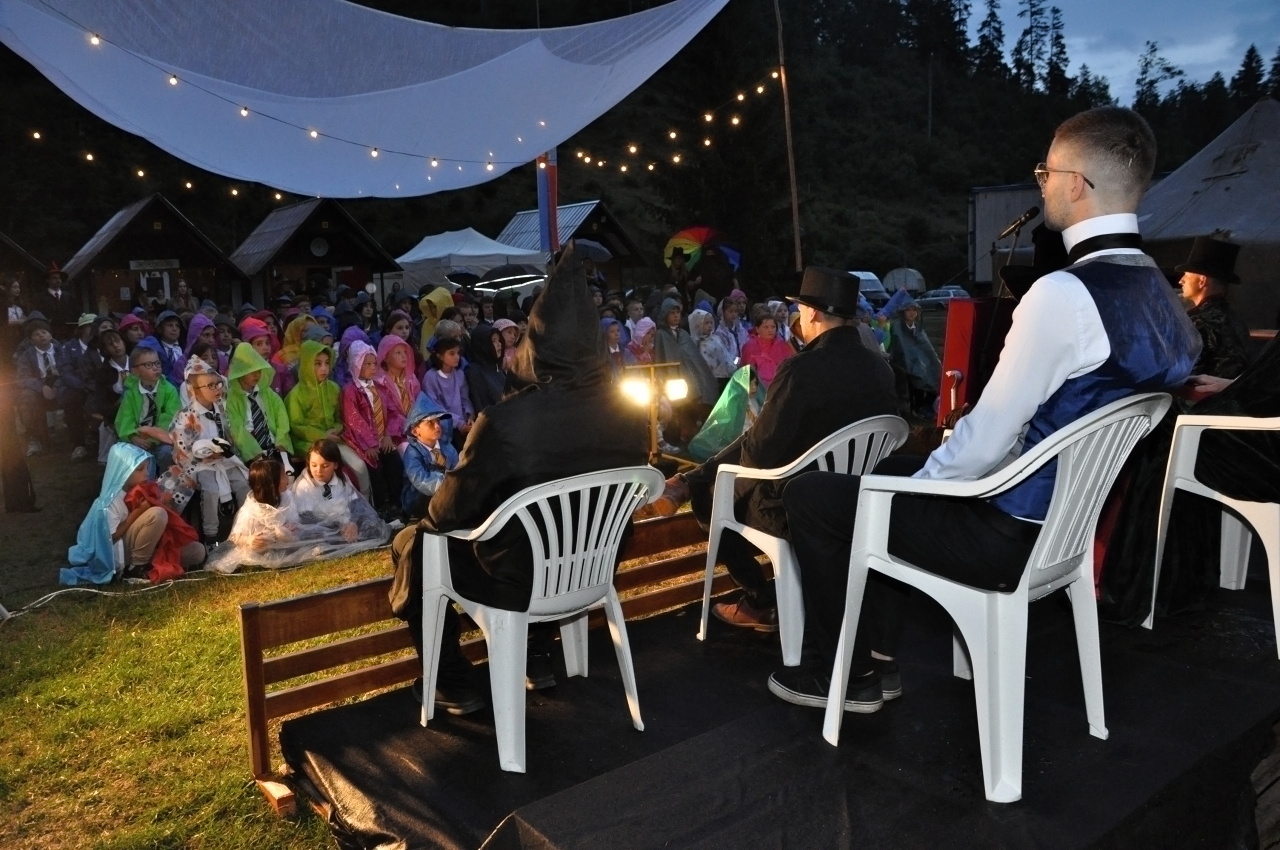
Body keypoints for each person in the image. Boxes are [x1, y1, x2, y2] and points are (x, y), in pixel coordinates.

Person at [775, 106, 1202, 714]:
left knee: (812, 496)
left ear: (1075, 184)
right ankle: (879, 658)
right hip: (1066, 526)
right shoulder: (1164, 295)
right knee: (887, 472)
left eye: (1045, 173)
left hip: (1006, 533)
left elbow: (984, 442)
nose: (1042, 186)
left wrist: (915, 489)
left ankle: (841, 675)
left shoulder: (1063, 294)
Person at [387, 246, 648, 713]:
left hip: (516, 577)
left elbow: (446, 512)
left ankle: (450, 680)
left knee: (417, 543)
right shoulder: (628, 414)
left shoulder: (507, 421)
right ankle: (535, 653)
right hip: (591, 568)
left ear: (536, 346)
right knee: (538, 528)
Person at [664, 267, 897, 630]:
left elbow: (759, 452)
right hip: (863, 501)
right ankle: (690, 480)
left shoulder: (801, 369)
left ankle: (760, 600)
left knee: (711, 499)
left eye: (801, 308)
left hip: (799, 506)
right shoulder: (881, 369)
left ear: (813, 313)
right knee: (732, 470)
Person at [60, 443, 205, 586]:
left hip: (148, 547)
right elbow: (111, 537)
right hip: (121, 554)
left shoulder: (142, 489)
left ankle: (151, 565)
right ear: (123, 470)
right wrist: (137, 513)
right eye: (140, 469)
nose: (146, 473)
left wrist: (165, 504)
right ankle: (136, 569)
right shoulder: (109, 502)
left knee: (197, 551)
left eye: (147, 468)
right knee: (158, 514)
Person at [169, 356, 251, 545]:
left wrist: (227, 450)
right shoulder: (186, 416)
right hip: (200, 464)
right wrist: (204, 454)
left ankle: (244, 529)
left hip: (224, 460)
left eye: (218, 384)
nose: (217, 389)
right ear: (194, 390)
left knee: (243, 485)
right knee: (211, 490)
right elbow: (181, 448)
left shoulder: (222, 410)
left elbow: (231, 436)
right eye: (210, 386)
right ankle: (211, 536)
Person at [340, 340, 406, 519]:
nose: (372, 368)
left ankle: (397, 503)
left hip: (384, 439)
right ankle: (381, 507)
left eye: (374, 363)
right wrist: (369, 444)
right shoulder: (350, 391)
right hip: (365, 443)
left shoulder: (379, 388)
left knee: (394, 463)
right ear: (356, 365)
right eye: (366, 364)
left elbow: (392, 412)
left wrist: (389, 435)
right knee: (375, 469)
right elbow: (354, 420)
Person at [1176, 235, 1250, 379]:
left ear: (1202, 281)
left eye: (1186, 275)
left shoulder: (1197, 322)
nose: (1181, 281)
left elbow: (1179, 372)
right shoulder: (1237, 320)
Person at [15, 312, 79, 458]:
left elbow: (69, 370)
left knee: (74, 394)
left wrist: (57, 386)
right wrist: (41, 387)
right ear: (30, 339)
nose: (41, 336)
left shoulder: (62, 349)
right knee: (26, 399)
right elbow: (23, 378)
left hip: (61, 384)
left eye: (44, 332)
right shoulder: (26, 356)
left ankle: (78, 439)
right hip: (39, 387)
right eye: (36, 334)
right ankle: (37, 439)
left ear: (50, 334)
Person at [225, 342, 293, 463]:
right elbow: (237, 431)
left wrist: (281, 444)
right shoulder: (231, 399)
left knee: (288, 471)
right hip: (249, 454)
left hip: (275, 448)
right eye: (252, 371)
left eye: (259, 370)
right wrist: (255, 454)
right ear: (240, 371)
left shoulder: (268, 393)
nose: (257, 375)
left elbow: (282, 420)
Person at [400, 402, 458, 520]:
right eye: (430, 423)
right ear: (415, 431)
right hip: (418, 500)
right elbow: (421, 480)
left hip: (448, 493)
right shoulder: (412, 453)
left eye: (438, 421)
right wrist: (449, 483)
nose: (437, 426)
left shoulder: (447, 447)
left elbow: (458, 468)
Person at [889, 298, 941, 419]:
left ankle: (924, 407)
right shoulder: (896, 327)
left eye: (914, 310)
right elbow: (900, 347)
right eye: (908, 310)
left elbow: (926, 347)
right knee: (915, 379)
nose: (911, 313)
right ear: (903, 312)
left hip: (919, 362)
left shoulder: (918, 327)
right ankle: (915, 409)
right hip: (903, 363)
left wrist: (932, 361)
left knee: (934, 376)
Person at [421, 337, 475, 449]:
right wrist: (458, 423)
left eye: (458, 353)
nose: (457, 357)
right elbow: (435, 408)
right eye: (452, 353)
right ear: (440, 356)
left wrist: (469, 416)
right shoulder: (430, 377)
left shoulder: (459, 374)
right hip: (443, 427)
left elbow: (465, 399)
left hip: (463, 424)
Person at [739, 307, 793, 388]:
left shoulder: (782, 345)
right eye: (766, 327)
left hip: (778, 387)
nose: (770, 330)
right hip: (756, 388)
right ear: (757, 329)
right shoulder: (749, 346)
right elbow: (745, 372)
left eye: (773, 327)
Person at [466, 324, 506, 413]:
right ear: (483, 345)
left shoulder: (497, 367)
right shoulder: (474, 371)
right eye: (493, 341)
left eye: (499, 340)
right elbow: (480, 405)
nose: (499, 344)